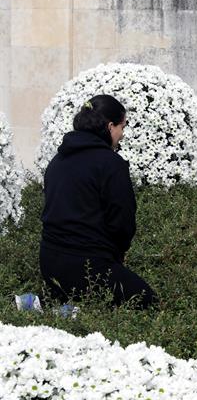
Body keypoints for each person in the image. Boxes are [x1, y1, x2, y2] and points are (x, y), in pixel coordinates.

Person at [40, 94, 156, 308]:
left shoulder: (57, 161)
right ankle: (58, 306)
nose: (122, 134)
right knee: (146, 300)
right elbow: (122, 222)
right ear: (110, 126)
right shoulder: (111, 164)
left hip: (49, 262)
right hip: (87, 266)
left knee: (82, 294)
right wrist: (117, 255)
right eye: (123, 127)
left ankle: (53, 302)